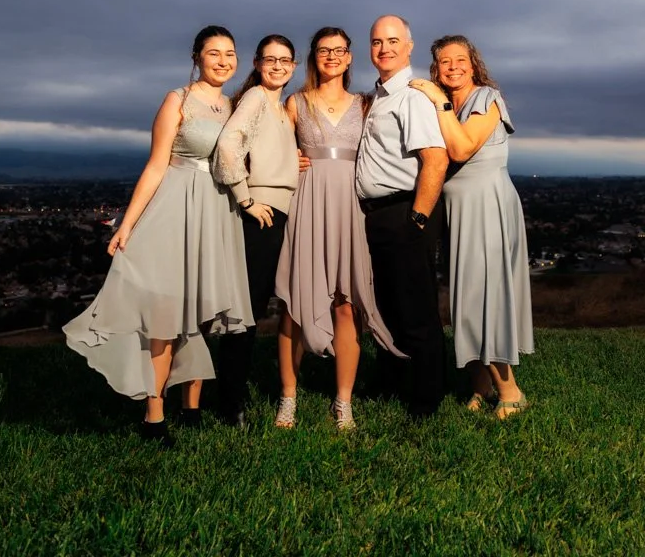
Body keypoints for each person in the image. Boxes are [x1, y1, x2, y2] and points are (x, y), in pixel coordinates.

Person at [63, 25, 254, 445]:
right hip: (176, 207)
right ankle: (154, 417)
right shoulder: (178, 100)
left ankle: (192, 408)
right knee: (166, 315)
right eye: (213, 53)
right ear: (197, 58)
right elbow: (155, 165)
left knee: (199, 310)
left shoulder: (236, 106)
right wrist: (126, 223)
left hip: (219, 213)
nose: (223, 61)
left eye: (230, 53)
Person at [273, 27, 405, 431]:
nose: (332, 56)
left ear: (350, 58)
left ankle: (343, 402)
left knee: (346, 303)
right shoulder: (295, 103)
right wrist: (286, 159)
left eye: (340, 50)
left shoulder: (366, 104)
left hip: (350, 207)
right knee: (293, 305)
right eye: (324, 50)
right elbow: (268, 148)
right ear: (314, 57)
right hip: (307, 204)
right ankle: (288, 398)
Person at [409, 35, 533, 419]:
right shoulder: (446, 104)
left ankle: (511, 391)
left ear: (473, 63)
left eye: (460, 59)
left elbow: (462, 149)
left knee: (486, 297)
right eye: (444, 62)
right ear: (436, 68)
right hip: (457, 210)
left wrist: (437, 99)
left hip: (487, 205)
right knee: (466, 298)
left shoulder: (487, 98)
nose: (453, 67)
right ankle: (479, 385)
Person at [354, 14, 449, 419]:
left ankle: (426, 400)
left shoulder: (412, 97)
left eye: (393, 41)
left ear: (409, 47)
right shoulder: (378, 96)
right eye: (377, 42)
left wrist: (418, 219)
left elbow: (435, 160)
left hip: (405, 211)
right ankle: (392, 380)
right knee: (385, 307)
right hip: (375, 215)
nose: (384, 48)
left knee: (415, 310)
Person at [211, 34, 300, 427]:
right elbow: (228, 144)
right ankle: (230, 404)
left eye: (285, 60)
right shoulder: (256, 98)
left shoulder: (279, 108)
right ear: (258, 63)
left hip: (279, 212)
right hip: (259, 215)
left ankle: (230, 393)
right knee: (244, 313)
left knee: (252, 309)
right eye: (270, 60)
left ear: (294, 66)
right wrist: (246, 198)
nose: (278, 66)